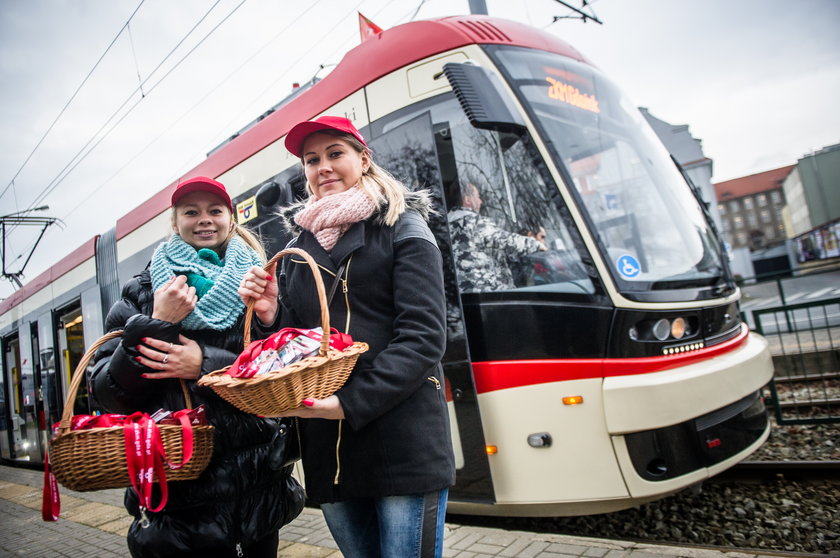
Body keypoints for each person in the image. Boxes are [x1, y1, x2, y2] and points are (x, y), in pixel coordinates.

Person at [238, 116, 455, 558]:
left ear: (363, 158)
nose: (324, 167)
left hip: (402, 439)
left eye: (335, 153)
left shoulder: (404, 228)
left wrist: (348, 403)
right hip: (330, 450)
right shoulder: (301, 247)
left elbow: (424, 338)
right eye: (312, 160)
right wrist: (269, 314)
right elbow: (296, 349)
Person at [90, 176, 305, 558]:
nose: (204, 219)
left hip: (258, 499)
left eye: (215, 210)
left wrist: (269, 321)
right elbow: (107, 393)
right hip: (180, 505)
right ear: (176, 222)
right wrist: (158, 321)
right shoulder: (142, 293)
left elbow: (285, 371)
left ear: (231, 217)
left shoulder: (259, 280)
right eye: (191, 212)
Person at [447, 181, 545, 292]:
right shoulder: (473, 221)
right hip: (487, 292)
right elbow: (504, 240)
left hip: (463, 293)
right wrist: (536, 244)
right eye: (477, 197)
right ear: (467, 200)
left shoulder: (446, 224)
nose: (481, 201)